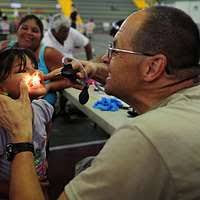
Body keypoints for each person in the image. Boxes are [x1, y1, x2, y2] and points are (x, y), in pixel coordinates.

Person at [1, 5, 200, 200]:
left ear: (153, 67)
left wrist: (20, 142)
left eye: (115, 50)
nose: (105, 57)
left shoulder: (143, 139)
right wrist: (94, 68)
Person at [0, 47, 54, 199]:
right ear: (1, 87)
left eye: (35, 67)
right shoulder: (2, 126)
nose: (35, 73)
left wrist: (43, 156)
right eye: (23, 70)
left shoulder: (43, 108)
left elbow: (47, 126)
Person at [0, 14, 76, 106]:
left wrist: (49, 86)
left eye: (35, 30)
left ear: (41, 36)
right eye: (24, 28)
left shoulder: (49, 53)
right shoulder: (4, 48)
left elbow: (69, 78)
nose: (29, 32)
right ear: (17, 30)